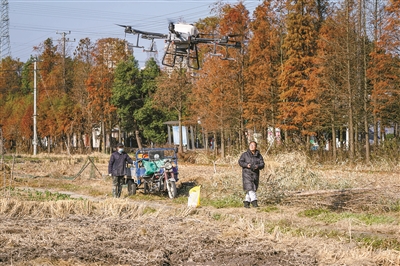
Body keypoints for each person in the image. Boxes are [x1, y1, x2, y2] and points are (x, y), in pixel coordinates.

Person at [238, 141, 265, 208]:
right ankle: (254, 202)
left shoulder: (259, 155)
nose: (252, 146)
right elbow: (240, 162)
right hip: (247, 174)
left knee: (251, 188)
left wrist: (257, 166)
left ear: (256, 147)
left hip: (255, 174)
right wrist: (247, 165)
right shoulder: (244, 154)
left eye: (253, 145)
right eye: (251, 145)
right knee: (250, 188)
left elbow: (262, 164)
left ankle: (246, 203)